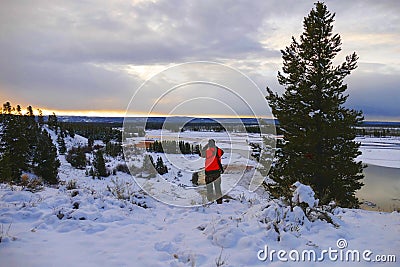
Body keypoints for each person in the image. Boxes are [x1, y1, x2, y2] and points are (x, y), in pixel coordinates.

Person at [202, 139, 224, 204]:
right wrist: (215, 148)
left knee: (209, 188)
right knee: (218, 188)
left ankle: (210, 201)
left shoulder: (207, 152)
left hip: (209, 173)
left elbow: (201, 154)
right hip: (217, 172)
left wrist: (206, 146)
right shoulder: (219, 151)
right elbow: (222, 152)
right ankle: (219, 202)